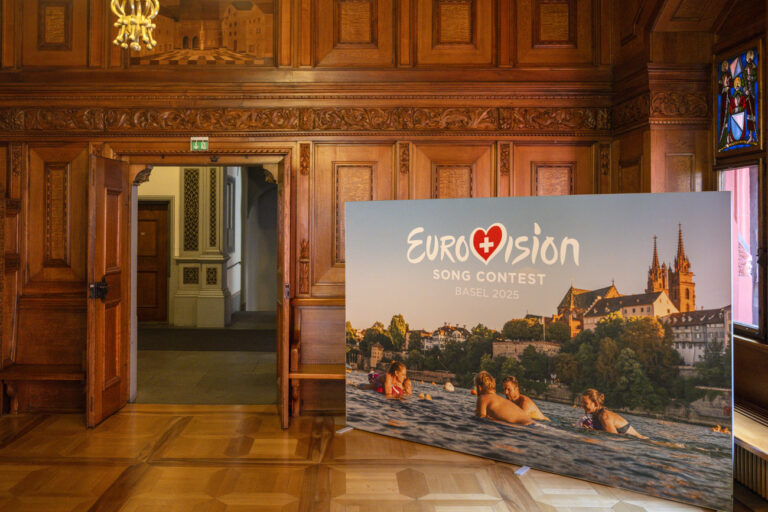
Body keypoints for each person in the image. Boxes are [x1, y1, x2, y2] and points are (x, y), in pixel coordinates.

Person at [579, 388, 646, 439]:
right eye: (581, 403)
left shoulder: (605, 417)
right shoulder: (596, 414)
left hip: (641, 442)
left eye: (585, 403)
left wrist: (593, 431)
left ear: (596, 404)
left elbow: (613, 438)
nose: (582, 406)